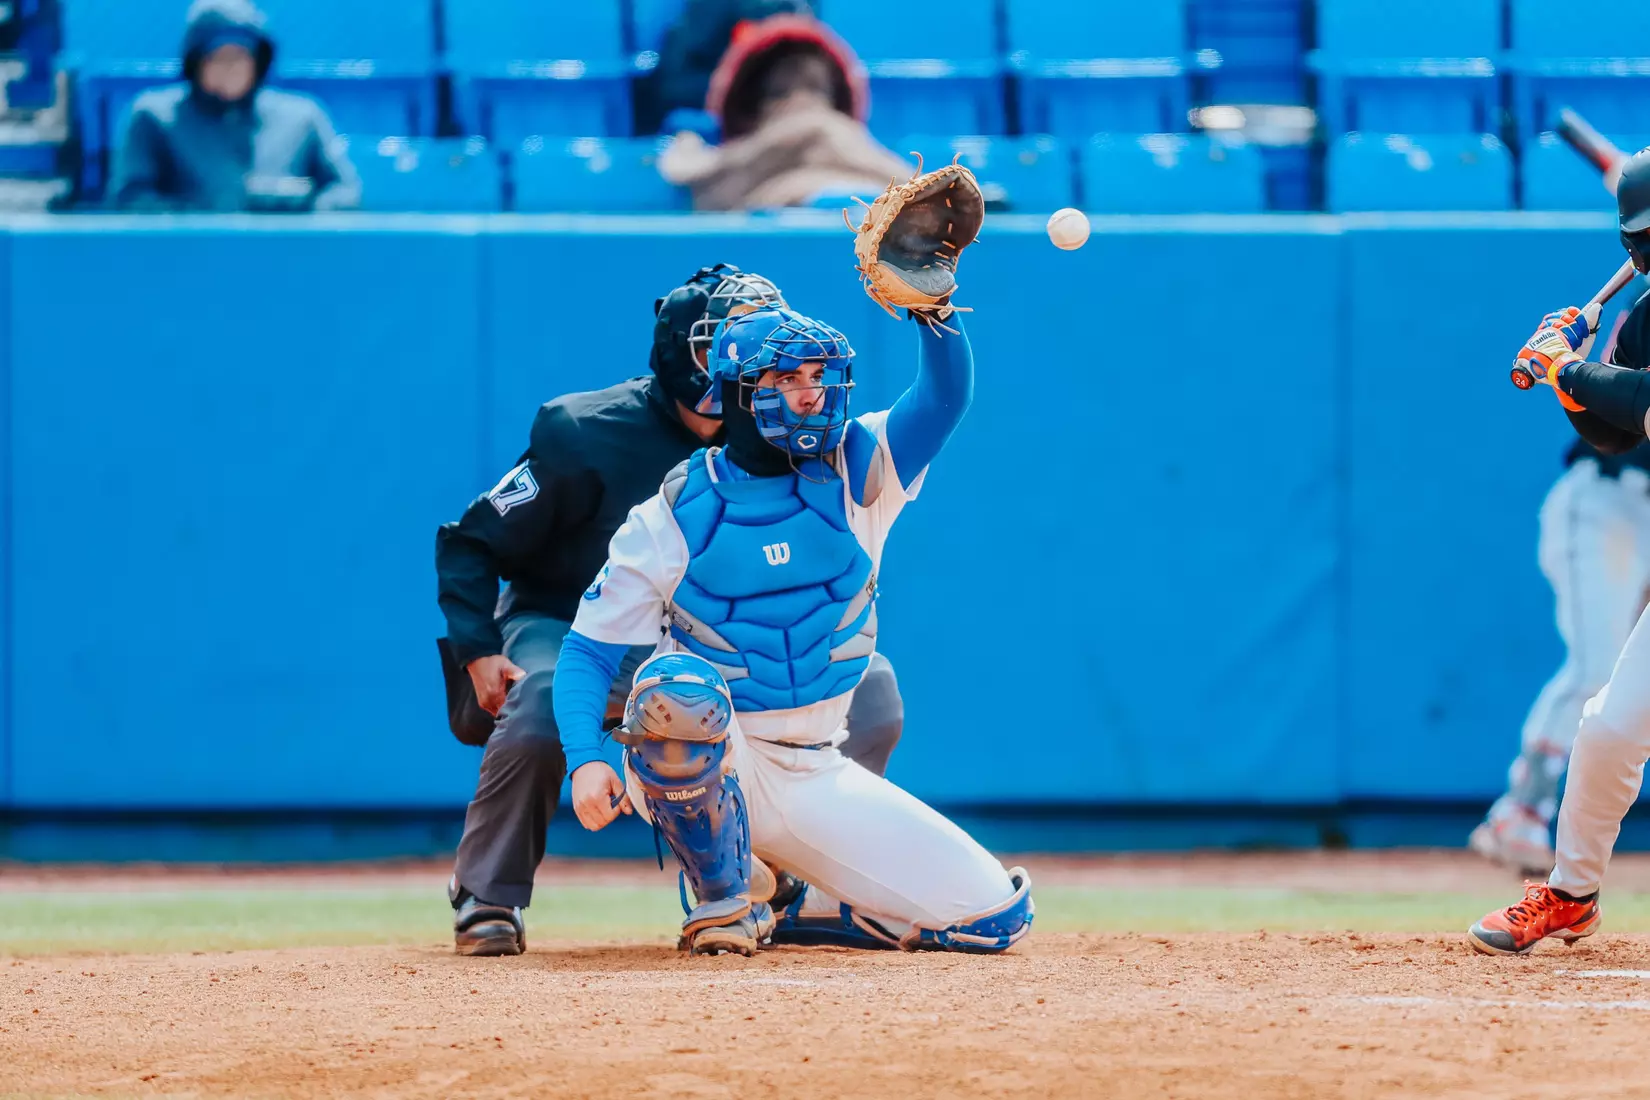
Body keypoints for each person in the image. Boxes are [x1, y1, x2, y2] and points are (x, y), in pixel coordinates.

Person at [434, 265, 908, 956]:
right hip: (573, 621)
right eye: (727, 339)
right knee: (540, 695)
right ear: (686, 354)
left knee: (873, 690)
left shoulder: (798, 437)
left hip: (710, 639)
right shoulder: (584, 431)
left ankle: (793, 878)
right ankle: (487, 894)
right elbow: (471, 541)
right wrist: (478, 646)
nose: (752, 352)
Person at [550, 295, 1031, 957]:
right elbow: (587, 653)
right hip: (717, 753)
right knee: (671, 692)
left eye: (818, 377)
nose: (810, 395)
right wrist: (583, 761)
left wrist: (937, 312)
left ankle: (809, 900)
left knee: (991, 915)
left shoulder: (859, 468)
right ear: (736, 393)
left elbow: (944, 399)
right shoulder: (672, 514)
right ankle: (725, 897)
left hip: (815, 765)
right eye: (786, 379)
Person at [1470, 148, 1650, 954]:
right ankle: (1571, 893)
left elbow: (1641, 399)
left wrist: (1574, 366)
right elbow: (1612, 430)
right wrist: (1564, 379)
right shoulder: (1646, 311)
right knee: (1612, 726)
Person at [1470, 365, 1650, 876]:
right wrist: (1567, 369)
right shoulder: (1646, 313)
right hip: (1609, 501)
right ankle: (1521, 807)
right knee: (1601, 667)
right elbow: (1616, 402)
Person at [110, 0, 359, 212]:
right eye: (218, 57)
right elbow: (130, 198)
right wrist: (201, 218)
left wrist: (299, 207)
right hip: (186, 261)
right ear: (195, 62)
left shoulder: (302, 117)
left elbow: (346, 190)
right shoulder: (154, 116)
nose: (230, 67)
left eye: (240, 56)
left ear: (259, 61)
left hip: (283, 259)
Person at [656, 14, 910, 212]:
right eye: (779, 93)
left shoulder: (895, 188)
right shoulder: (713, 177)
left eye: (815, 90)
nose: (801, 105)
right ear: (749, 114)